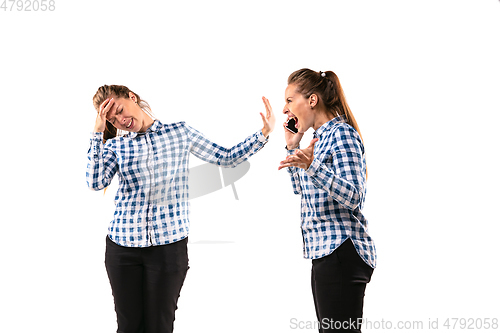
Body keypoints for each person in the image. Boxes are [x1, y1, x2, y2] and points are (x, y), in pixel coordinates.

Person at [86, 84, 275, 333]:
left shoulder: (180, 132)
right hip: (122, 249)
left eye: (120, 110)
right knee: (128, 327)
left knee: (160, 326)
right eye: (113, 120)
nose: (121, 120)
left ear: (132, 97)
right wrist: (97, 132)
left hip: (168, 249)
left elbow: (226, 157)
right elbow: (95, 182)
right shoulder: (115, 146)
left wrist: (263, 133)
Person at [278, 69, 376, 332]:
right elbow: (300, 189)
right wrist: (293, 147)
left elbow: (355, 196)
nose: (285, 109)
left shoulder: (342, 134)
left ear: (312, 100)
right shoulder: (317, 140)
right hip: (325, 251)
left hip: (342, 250)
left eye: (289, 100)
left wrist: (312, 166)